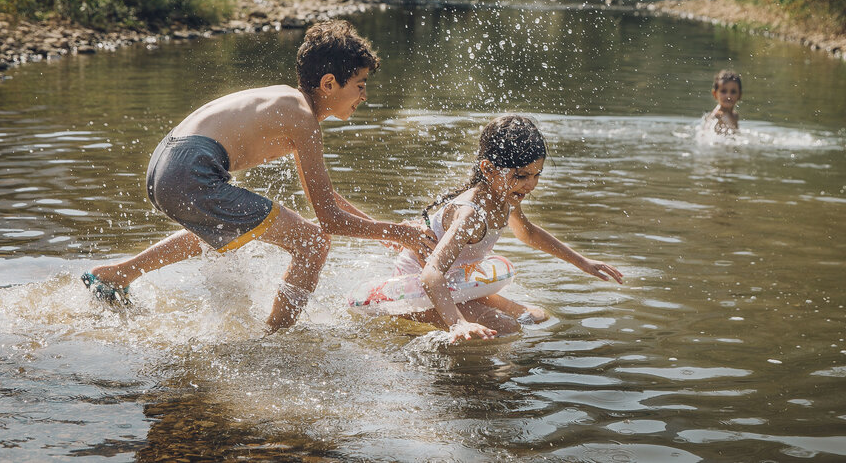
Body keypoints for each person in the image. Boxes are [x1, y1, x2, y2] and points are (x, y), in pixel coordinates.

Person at [80, 20, 435, 333]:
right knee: (312, 243)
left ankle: (120, 273)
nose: (364, 95)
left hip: (166, 166)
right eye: (360, 84)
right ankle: (274, 339)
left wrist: (377, 231)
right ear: (329, 83)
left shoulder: (290, 107)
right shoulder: (302, 119)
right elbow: (327, 219)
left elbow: (325, 197)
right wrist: (402, 232)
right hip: (190, 169)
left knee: (227, 229)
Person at [391, 115, 623, 342]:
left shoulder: (506, 198)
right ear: (489, 168)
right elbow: (430, 274)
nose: (530, 185)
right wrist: (458, 323)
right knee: (505, 327)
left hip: (455, 283)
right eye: (521, 175)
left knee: (537, 317)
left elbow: (528, 233)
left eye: (536, 175)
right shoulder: (471, 214)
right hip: (418, 290)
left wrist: (583, 262)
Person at [706, 69, 742, 135]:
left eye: (733, 92)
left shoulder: (735, 115)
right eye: (723, 91)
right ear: (715, 94)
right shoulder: (717, 116)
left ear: (739, 95)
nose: (728, 96)